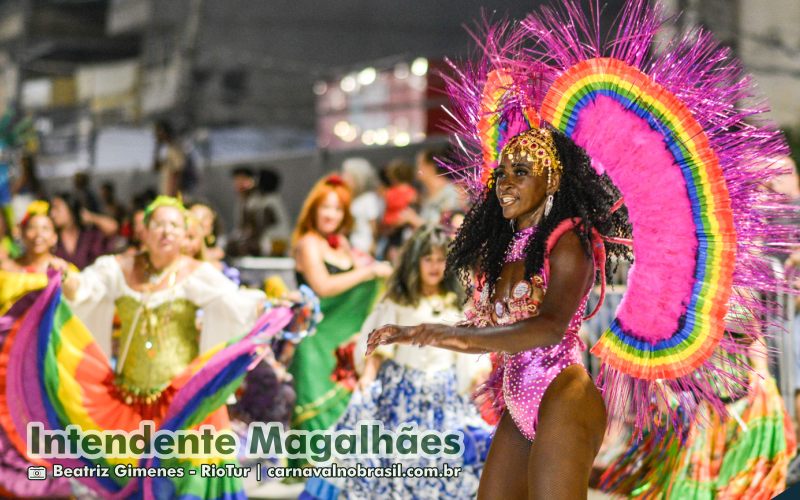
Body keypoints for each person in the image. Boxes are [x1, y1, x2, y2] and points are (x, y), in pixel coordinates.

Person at [368, 1, 794, 496]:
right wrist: (424, 330)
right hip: (518, 400)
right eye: (502, 172)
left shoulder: (567, 242)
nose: (504, 182)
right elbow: (494, 324)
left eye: (520, 173)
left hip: (563, 395)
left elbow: (547, 326)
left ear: (551, 182)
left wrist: (434, 333)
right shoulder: (513, 243)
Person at [303, 225, 492, 499]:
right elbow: (379, 347)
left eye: (440, 259)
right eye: (427, 259)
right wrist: (367, 379)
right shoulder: (398, 302)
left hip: (444, 396)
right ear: (414, 263)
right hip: (402, 395)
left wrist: (478, 377)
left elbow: (469, 350)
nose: (434, 266)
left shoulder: (455, 304)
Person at [290, 175, 391, 442]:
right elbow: (322, 286)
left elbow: (363, 278)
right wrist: (369, 272)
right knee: (317, 418)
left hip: (343, 343)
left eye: (337, 208)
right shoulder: (308, 243)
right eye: (326, 207)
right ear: (314, 209)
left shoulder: (342, 244)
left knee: (344, 416)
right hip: (315, 341)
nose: (331, 214)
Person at [227, 166, 291, 257]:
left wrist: (248, 239)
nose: (239, 184)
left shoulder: (267, 200)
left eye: (243, 180)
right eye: (237, 180)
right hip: (268, 241)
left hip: (277, 242)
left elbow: (260, 227)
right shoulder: (247, 201)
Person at [49, 192, 117, 269]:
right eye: (51, 209)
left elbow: (113, 227)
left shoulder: (88, 235)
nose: (52, 214)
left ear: (71, 209)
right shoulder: (51, 237)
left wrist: (91, 217)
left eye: (57, 208)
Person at [402, 147, 464, 229]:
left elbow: (446, 230)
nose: (417, 169)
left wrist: (414, 220)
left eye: (420, 164)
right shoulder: (425, 193)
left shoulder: (450, 193)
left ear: (430, 167)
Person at [341, 157, 383, 256]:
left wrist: (373, 244)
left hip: (364, 246)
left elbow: (373, 224)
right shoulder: (353, 199)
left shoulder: (368, 198)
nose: (344, 178)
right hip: (354, 245)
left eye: (348, 176)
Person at [152, 120, 186, 197]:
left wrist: (172, 192)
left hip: (172, 193)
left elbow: (177, 171)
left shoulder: (175, 148)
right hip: (164, 191)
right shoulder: (164, 149)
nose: (156, 136)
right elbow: (155, 167)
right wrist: (157, 148)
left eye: (158, 132)